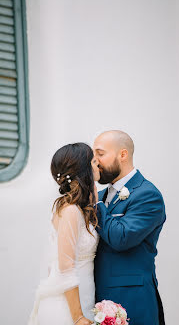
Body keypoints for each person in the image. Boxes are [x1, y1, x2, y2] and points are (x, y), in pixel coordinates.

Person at [93, 130, 166, 325]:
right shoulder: (99, 196)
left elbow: (121, 238)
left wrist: (95, 203)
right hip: (94, 300)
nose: (95, 162)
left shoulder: (147, 195)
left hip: (131, 301)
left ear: (122, 155)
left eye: (100, 154)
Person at [28, 143, 100, 325]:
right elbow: (66, 266)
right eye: (93, 160)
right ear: (84, 170)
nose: (97, 162)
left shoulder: (81, 209)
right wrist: (78, 317)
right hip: (67, 307)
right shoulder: (70, 211)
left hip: (85, 295)